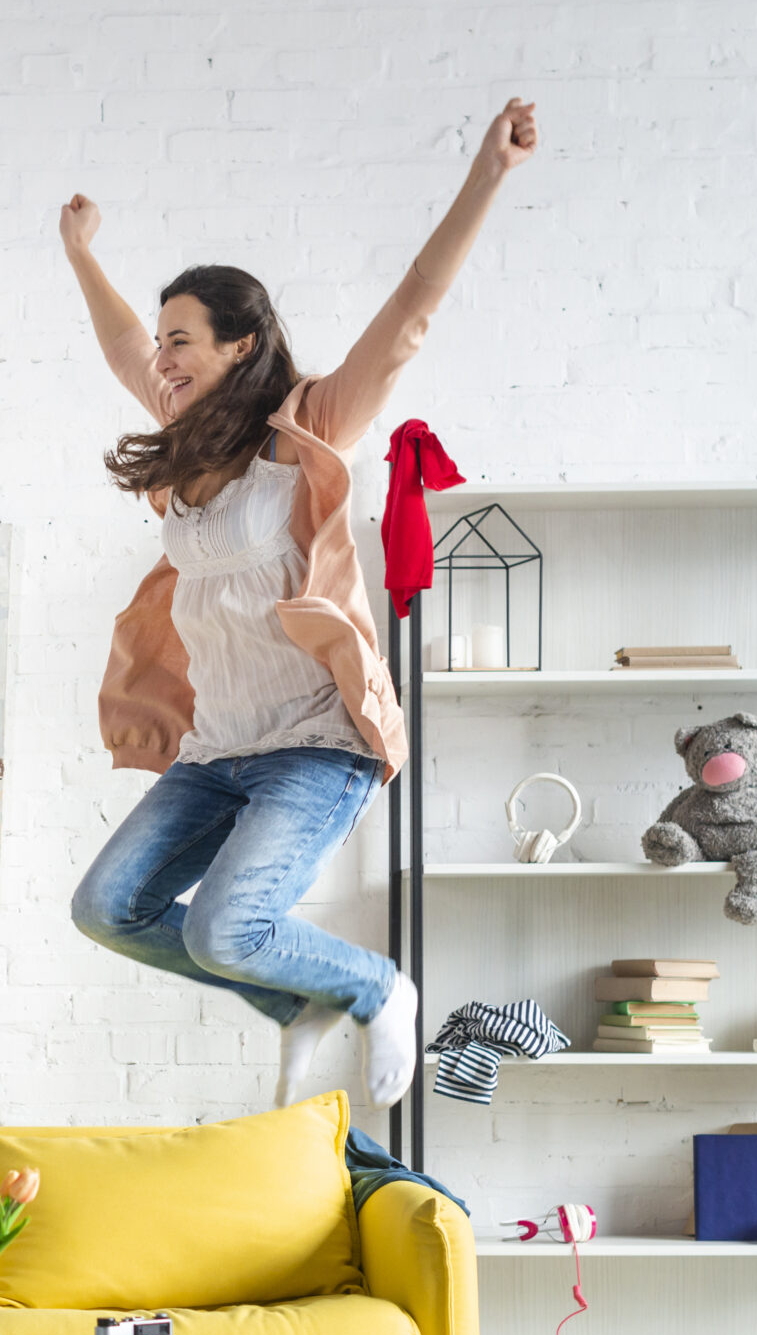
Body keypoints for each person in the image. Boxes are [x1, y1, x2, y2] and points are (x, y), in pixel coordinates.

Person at [57, 98, 540, 1112]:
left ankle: (374, 987)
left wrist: (486, 175)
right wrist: (79, 251)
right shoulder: (185, 439)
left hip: (314, 745)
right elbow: (114, 347)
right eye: (162, 343)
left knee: (223, 929)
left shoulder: (309, 427)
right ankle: (300, 1005)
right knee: (107, 907)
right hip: (216, 749)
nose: (163, 359)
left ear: (240, 345)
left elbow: (411, 311)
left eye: (181, 339)